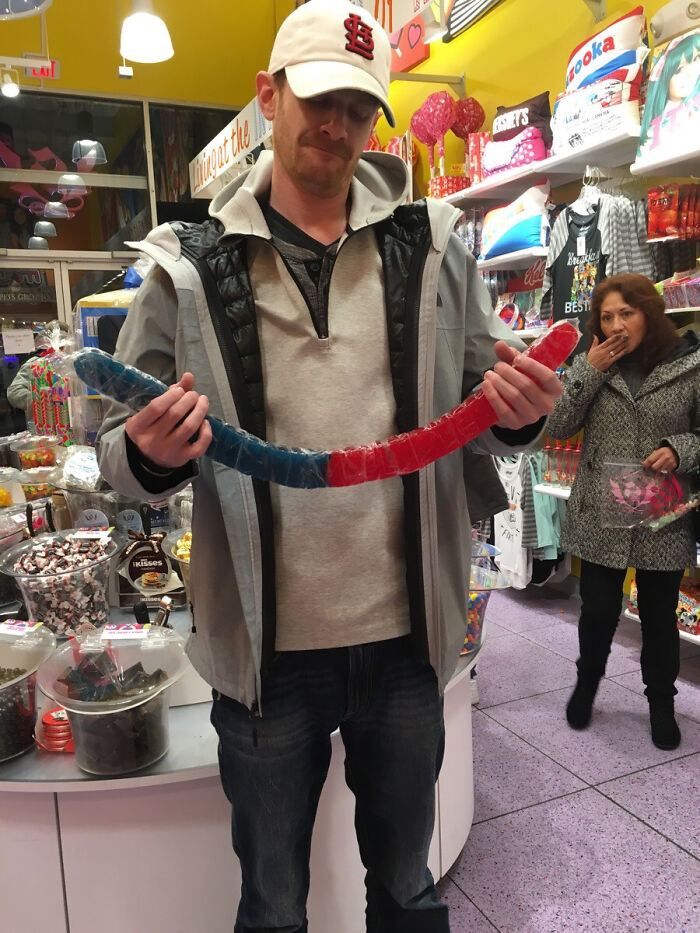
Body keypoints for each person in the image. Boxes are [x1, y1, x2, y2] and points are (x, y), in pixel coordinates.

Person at [96, 2, 562, 929]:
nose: (337, 126)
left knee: (406, 886)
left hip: (406, 643)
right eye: (317, 99)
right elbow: (119, 452)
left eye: (359, 107)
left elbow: (493, 396)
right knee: (272, 903)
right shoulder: (186, 265)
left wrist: (521, 417)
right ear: (269, 97)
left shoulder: (431, 245)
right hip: (265, 657)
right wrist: (146, 454)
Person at [547, 274, 699, 752]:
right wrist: (587, 371)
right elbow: (557, 424)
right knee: (597, 611)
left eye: (626, 313)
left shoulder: (691, 366)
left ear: (649, 314)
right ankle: (586, 687)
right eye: (607, 316)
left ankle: (661, 704)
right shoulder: (592, 364)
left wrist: (681, 448)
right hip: (601, 513)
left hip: (662, 515)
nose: (616, 324)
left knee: (658, 617)